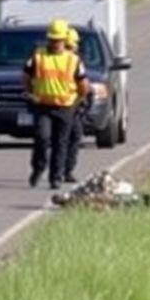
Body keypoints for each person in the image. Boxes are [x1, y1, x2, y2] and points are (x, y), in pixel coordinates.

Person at [24, 19, 89, 189]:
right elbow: (26, 76)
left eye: (58, 40)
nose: (55, 43)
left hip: (65, 107)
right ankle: (38, 167)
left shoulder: (73, 60)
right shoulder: (38, 56)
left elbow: (83, 84)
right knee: (42, 137)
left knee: (61, 142)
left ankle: (56, 177)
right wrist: (31, 93)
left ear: (64, 39)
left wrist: (78, 100)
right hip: (43, 105)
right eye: (52, 39)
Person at [63, 27, 87, 183]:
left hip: (65, 105)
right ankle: (66, 171)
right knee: (71, 137)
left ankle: (62, 170)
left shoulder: (53, 59)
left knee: (65, 138)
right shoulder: (73, 61)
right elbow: (83, 84)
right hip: (68, 105)